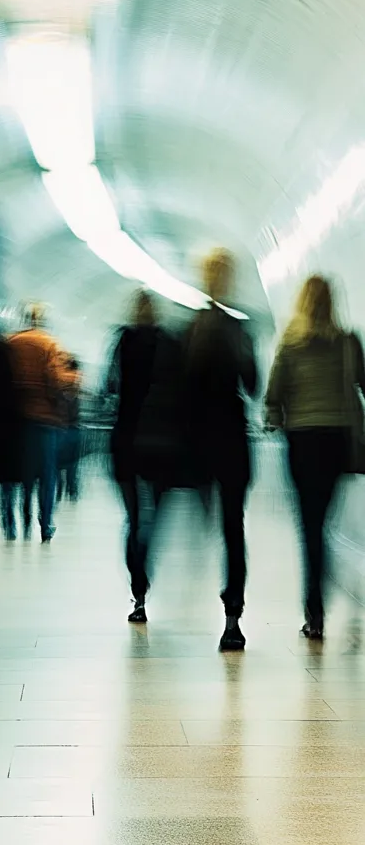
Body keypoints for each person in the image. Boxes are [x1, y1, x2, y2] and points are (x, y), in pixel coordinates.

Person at [266, 275, 365, 640]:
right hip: (338, 441)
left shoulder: (291, 344)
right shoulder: (348, 342)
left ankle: (315, 612)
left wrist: (276, 418)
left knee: (309, 526)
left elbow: (273, 394)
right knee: (324, 520)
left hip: (304, 441)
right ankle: (325, 575)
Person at [186, 249, 257, 651]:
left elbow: (182, 387)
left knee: (207, 519)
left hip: (198, 440)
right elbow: (252, 383)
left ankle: (144, 595)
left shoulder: (190, 329)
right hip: (232, 437)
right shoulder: (238, 329)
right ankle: (233, 616)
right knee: (234, 527)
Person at [108, 290, 189, 623]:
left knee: (133, 517)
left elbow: (110, 387)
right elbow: (184, 394)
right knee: (154, 517)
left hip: (126, 441)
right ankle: (144, 560)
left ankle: (138, 590)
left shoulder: (122, 342)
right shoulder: (170, 343)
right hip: (162, 442)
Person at [4, 304, 73, 542]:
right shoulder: (49, 344)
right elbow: (55, 380)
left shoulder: (10, 343)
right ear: (42, 320)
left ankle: (11, 520)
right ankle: (45, 523)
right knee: (47, 473)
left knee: (14, 470)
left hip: (15, 419)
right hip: (45, 419)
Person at [57, 356, 82, 502]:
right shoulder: (77, 382)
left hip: (61, 426)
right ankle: (72, 489)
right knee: (73, 462)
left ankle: (59, 489)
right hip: (74, 426)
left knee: (58, 462)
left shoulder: (60, 382)